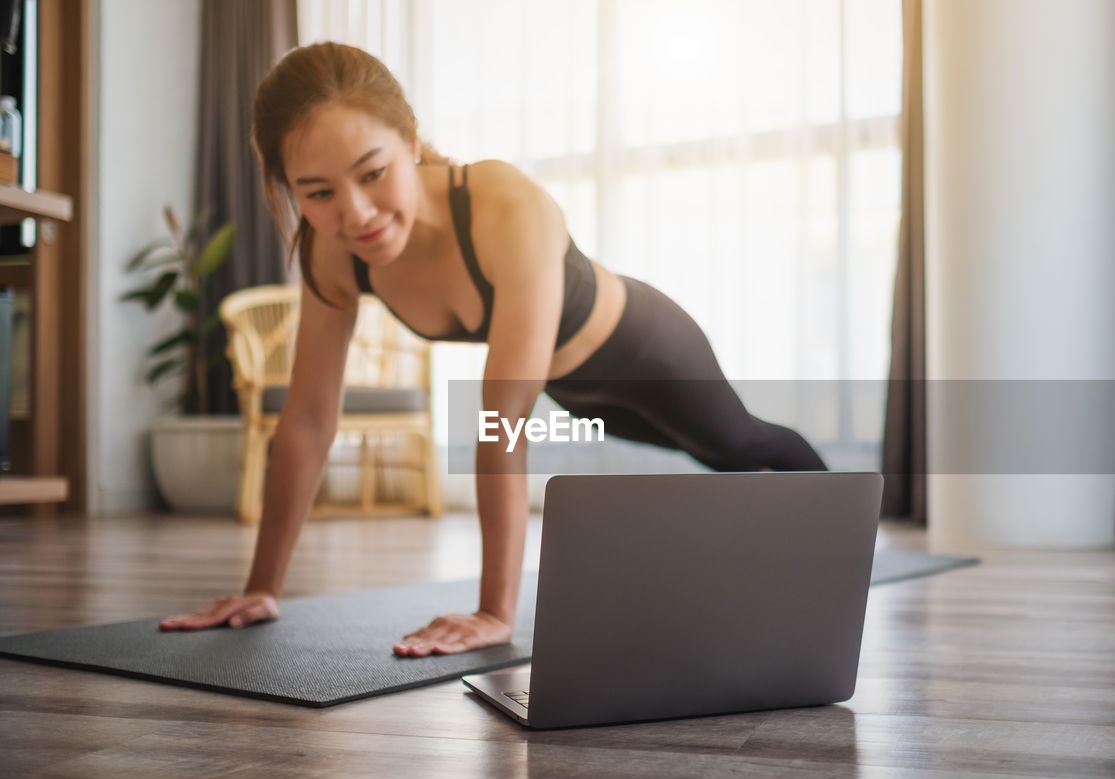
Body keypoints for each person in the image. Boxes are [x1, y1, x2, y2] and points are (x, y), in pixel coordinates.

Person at [159, 42, 826, 656]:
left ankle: (845, 519)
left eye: (372, 172)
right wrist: (262, 585)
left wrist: (494, 612)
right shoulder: (331, 256)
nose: (355, 212)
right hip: (571, 382)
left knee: (738, 447)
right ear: (291, 190)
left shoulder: (506, 207)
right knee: (716, 458)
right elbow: (307, 419)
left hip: (648, 353)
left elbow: (502, 420)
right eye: (319, 193)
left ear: (412, 140)